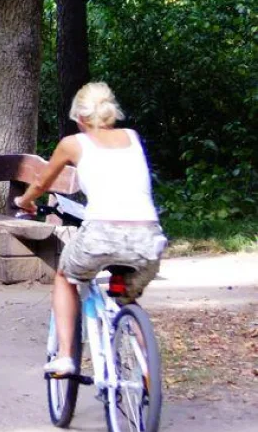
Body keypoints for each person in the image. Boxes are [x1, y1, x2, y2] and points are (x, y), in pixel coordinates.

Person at [14, 82, 167, 376]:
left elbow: (42, 183)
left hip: (101, 234)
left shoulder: (73, 143)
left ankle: (65, 356)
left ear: (81, 118)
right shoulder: (132, 137)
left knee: (64, 277)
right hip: (149, 239)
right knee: (125, 296)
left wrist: (25, 201)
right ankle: (146, 372)